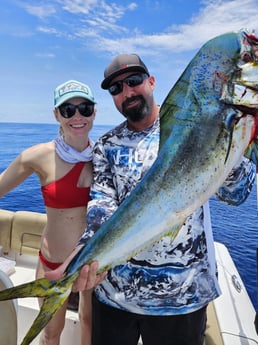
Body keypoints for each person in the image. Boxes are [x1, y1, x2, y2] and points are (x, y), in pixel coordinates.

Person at [47, 55, 256, 345]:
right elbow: (102, 205)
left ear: (152, 82)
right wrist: (86, 250)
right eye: (116, 89)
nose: (127, 92)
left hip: (182, 299)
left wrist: (223, 140)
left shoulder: (191, 131)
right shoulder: (107, 146)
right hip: (114, 297)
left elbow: (237, 193)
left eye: (134, 81)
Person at [0, 80, 98, 345]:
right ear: (56, 114)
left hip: (91, 266)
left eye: (84, 108)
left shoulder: (105, 157)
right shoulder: (36, 156)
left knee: (90, 329)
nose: (77, 116)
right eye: (68, 110)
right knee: (51, 334)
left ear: (94, 112)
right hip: (52, 265)